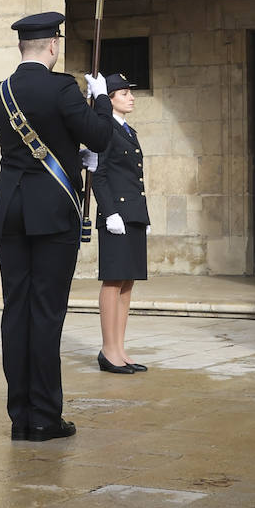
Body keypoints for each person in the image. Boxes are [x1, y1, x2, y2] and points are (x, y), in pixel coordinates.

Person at [0, 11, 114, 442]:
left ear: (22, 47)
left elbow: (31, 147)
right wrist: (98, 101)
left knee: (15, 312)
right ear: (53, 46)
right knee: (46, 314)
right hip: (53, 211)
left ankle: (19, 416)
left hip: (10, 212)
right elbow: (98, 137)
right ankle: (44, 416)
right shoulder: (63, 87)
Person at [93, 73, 150, 374]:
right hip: (116, 216)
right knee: (113, 280)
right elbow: (98, 176)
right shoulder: (105, 130)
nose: (131, 98)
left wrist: (144, 216)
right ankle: (107, 349)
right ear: (110, 97)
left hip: (133, 216)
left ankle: (119, 348)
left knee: (127, 282)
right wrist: (110, 212)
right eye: (124, 93)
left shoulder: (129, 131)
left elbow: (135, 179)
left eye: (131, 92)